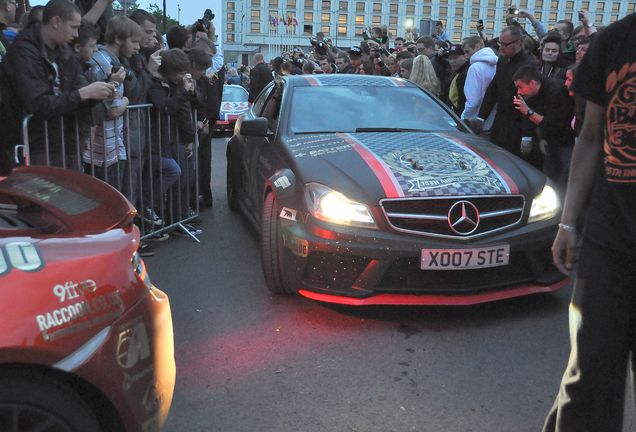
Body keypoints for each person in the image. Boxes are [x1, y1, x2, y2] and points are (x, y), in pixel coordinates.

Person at [543, 12, 636, 432]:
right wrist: (567, 223)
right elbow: (590, 136)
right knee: (590, 376)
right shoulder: (614, 41)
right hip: (609, 238)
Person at [0, 0, 115, 174]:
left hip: (62, 143)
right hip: (31, 145)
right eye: (73, 27)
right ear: (56, 22)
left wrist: (97, 94)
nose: (76, 34)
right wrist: (83, 94)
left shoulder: (64, 52)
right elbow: (38, 103)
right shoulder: (23, 51)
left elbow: (77, 89)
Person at [477, 26, 537, 158]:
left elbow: (531, 101)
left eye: (505, 44)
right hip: (500, 121)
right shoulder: (502, 60)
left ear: (518, 43)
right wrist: (481, 117)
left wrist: (527, 135)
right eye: (500, 43)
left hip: (518, 124)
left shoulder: (530, 64)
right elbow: (493, 89)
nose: (500, 47)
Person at [512, 65, 574, 192]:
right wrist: (527, 136)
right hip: (550, 143)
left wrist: (528, 112)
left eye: (520, 87)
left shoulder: (557, 92)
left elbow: (554, 124)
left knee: (561, 183)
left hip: (565, 143)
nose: (518, 92)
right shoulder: (532, 94)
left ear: (533, 83)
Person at [461, 36, 498, 126]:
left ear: (477, 47)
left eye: (467, 51)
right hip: (495, 119)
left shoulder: (475, 68)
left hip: (477, 121)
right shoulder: (498, 64)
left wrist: (463, 118)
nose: (466, 56)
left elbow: (473, 101)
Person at [446, 44, 469, 115]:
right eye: (450, 58)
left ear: (465, 56)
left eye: (455, 58)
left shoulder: (465, 74)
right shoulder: (457, 72)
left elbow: (462, 102)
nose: (452, 61)